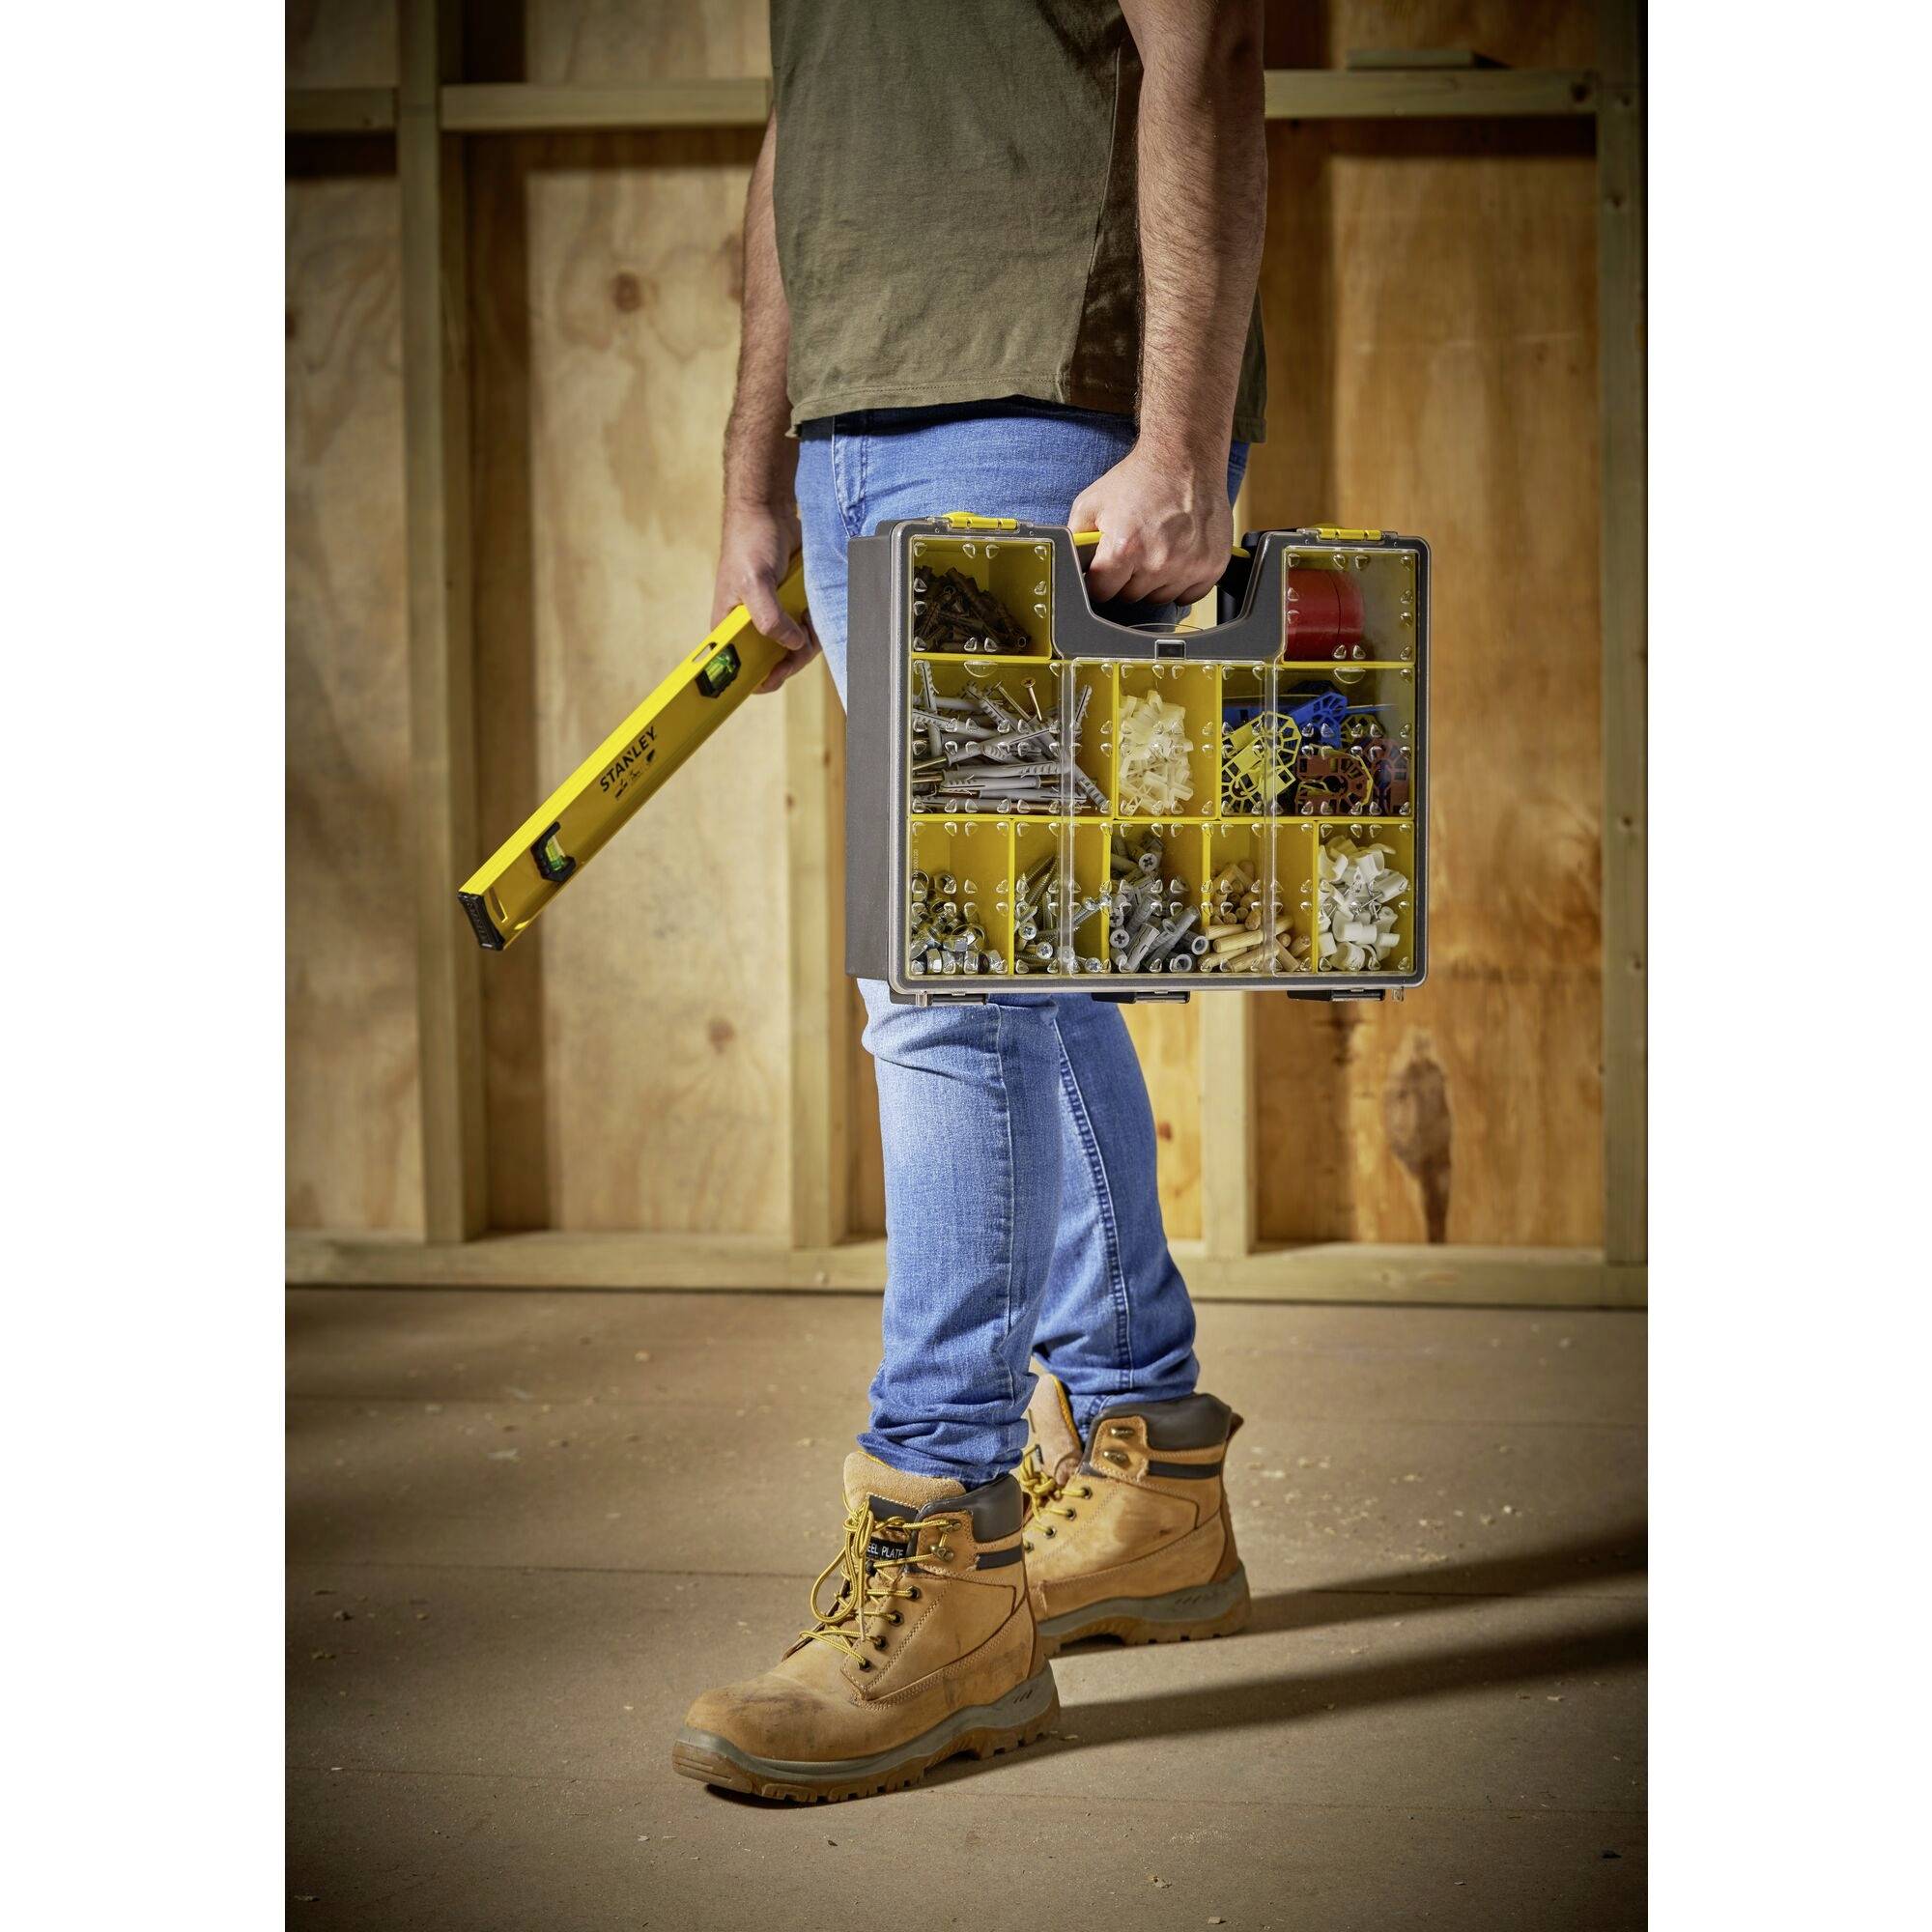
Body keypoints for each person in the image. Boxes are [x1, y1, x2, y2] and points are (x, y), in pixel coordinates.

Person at [672, 0, 1268, 1803]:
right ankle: (1151, 1469)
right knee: (1016, 980)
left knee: (946, 990)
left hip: (1041, 403)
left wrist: (1182, 434)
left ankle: (942, 1547)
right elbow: (808, 125)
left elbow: (1210, 45)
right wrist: (757, 465)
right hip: (862, 415)